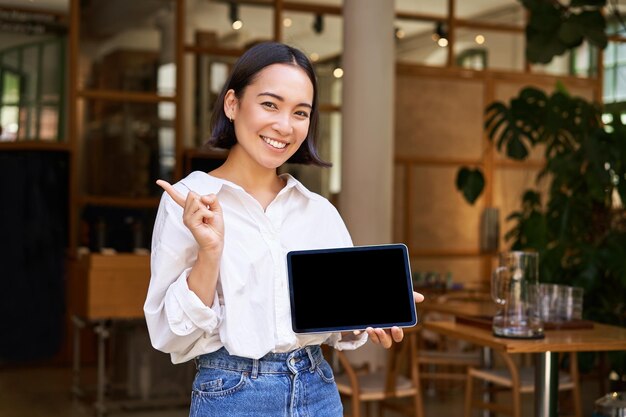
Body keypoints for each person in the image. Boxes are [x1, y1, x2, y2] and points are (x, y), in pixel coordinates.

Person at [144, 41, 424, 416]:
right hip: (232, 393)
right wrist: (210, 252)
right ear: (232, 104)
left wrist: (368, 317)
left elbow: (337, 321)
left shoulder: (318, 211)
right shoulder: (189, 201)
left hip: (318, 390)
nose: (284, 126)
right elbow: (170, 335)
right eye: (270, 104)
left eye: (300, 112)